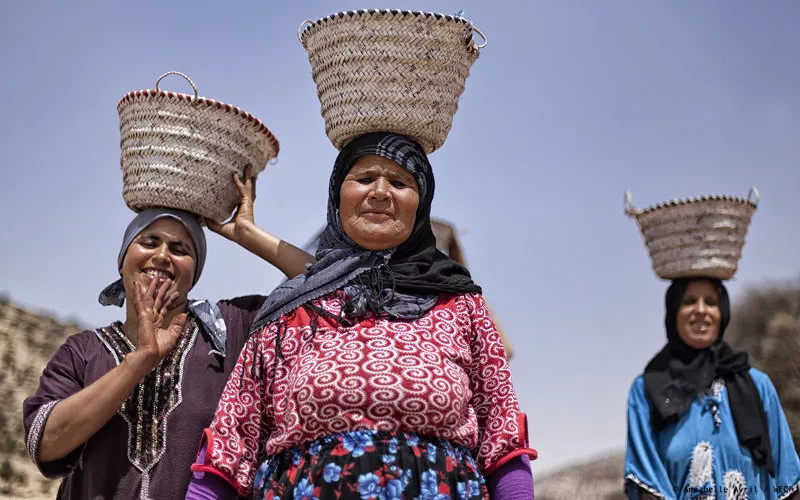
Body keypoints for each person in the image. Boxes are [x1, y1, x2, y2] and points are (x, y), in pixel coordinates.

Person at [186, 132, 537, 499]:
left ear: (421, 203)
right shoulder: (289, 312)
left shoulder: (461, 306)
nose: (381, 192)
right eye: (365, 178)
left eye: (399, 182)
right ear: (337, 195)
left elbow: (503, 440)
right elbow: (229, 449)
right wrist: (248, 233)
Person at [22, 168, 315, 499]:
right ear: (122, 262)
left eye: (179, 249)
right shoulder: (84, 351)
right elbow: (45, 443)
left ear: (195, 272)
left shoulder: (231, 329)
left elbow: (329, 284)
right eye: (148, 242)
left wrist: (248, 233)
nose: (162, 256)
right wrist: (139, 361)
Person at [624, 277, 800, 499]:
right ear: (673, 311)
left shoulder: (757, 385)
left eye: (710, 302)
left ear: (722, 313)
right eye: (689, 301)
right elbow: (647, 485)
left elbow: (787, 482)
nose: (700, 310)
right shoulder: (648, 391)